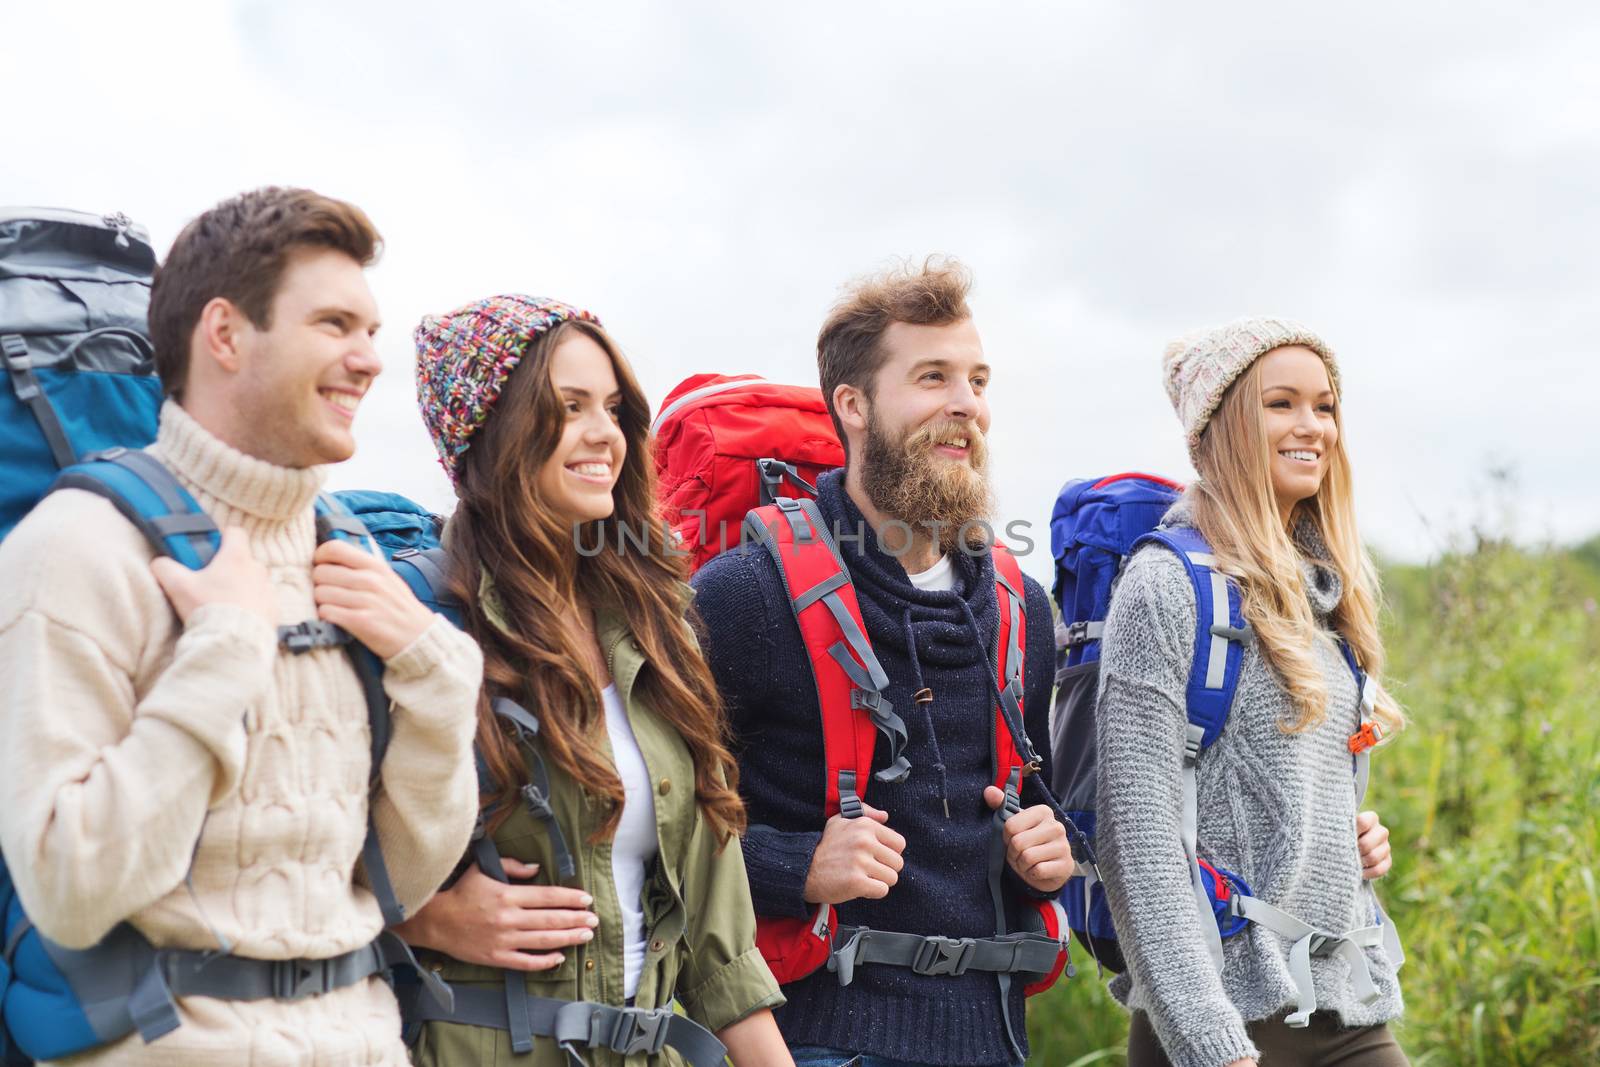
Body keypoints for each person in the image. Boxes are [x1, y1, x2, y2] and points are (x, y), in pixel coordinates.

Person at [0, 187, 483, 1064]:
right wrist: (224, 651)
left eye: (372, 330)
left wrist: (439, 681)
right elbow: (70, 889)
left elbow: (396, 883)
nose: (368, 359)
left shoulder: (353, 556)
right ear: (224, 334)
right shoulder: (76, 548)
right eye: (335, 324)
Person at [691, 259, 1074, 1067]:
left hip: (994, 1036)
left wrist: (1048, 845)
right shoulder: (745, 595)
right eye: (932, 377)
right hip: (814, 1038)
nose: (966, 404)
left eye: (976, 379)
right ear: (853, 405)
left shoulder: (1020, 606)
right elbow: (662, 826)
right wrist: (796, 864)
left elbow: (1022, 791)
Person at [394, 294, 792, 1066]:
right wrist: (422, 918)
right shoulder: (425, 624)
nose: (602, 433)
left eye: (612, 408)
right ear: (491, 431)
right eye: (568, 406)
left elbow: (718, 931)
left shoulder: (656, 619)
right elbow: (296, 865)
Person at [1096, 318, 1407, 1067]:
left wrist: (1340, 840)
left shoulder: (1327, 595)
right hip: (1224, 1021)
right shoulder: (1165, 587)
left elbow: (1274, 784)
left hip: (1346, 1003)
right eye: (1282, 404)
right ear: (1225, 425)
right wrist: (1210, 1042)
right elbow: (1137, 844)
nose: (1313, 427)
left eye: (1325, 406)